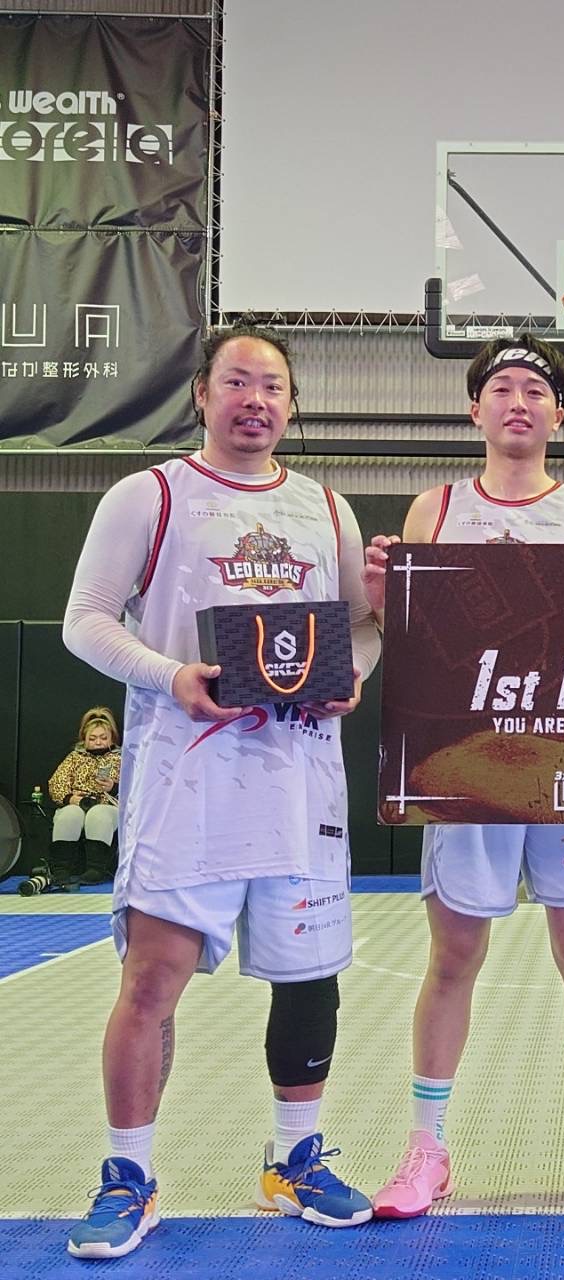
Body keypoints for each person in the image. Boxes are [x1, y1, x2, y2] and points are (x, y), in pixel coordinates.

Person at [61, 321, 381, 1259]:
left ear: (291, 405)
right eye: (237, 382)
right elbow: (85, 621)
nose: (255, 400)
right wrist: (172, 676)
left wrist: (352, 674)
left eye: (272, 387)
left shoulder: (326, 508)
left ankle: (294, 1160)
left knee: (308, 977)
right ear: (202, 394)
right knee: (151, 982)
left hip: (299, 780)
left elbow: (361, 628)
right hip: (187, 777)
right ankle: (128, 1176)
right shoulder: (149, 495)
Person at [361, 334, 564, 1218]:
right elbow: (413, 643)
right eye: (502, 388)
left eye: (536, 389)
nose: (519, 401)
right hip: (469, 763)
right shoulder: (435, 508)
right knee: (453, 956)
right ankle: (426, 1149)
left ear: (560, 414)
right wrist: (381, 600)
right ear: (475, 411)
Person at [47, 707, 123, 886]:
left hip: (109, 805)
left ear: (112, 738)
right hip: (77, 803)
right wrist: (70, 799)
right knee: (69, 814)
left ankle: (96, 868)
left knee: (99, 813)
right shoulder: (74, 758)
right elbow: (56, 783)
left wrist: (113, 787)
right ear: (84, 739)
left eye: (103, 738)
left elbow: (135, 787)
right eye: (93, 738)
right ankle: (61, 869)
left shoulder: (122, 759)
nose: (98, 742)